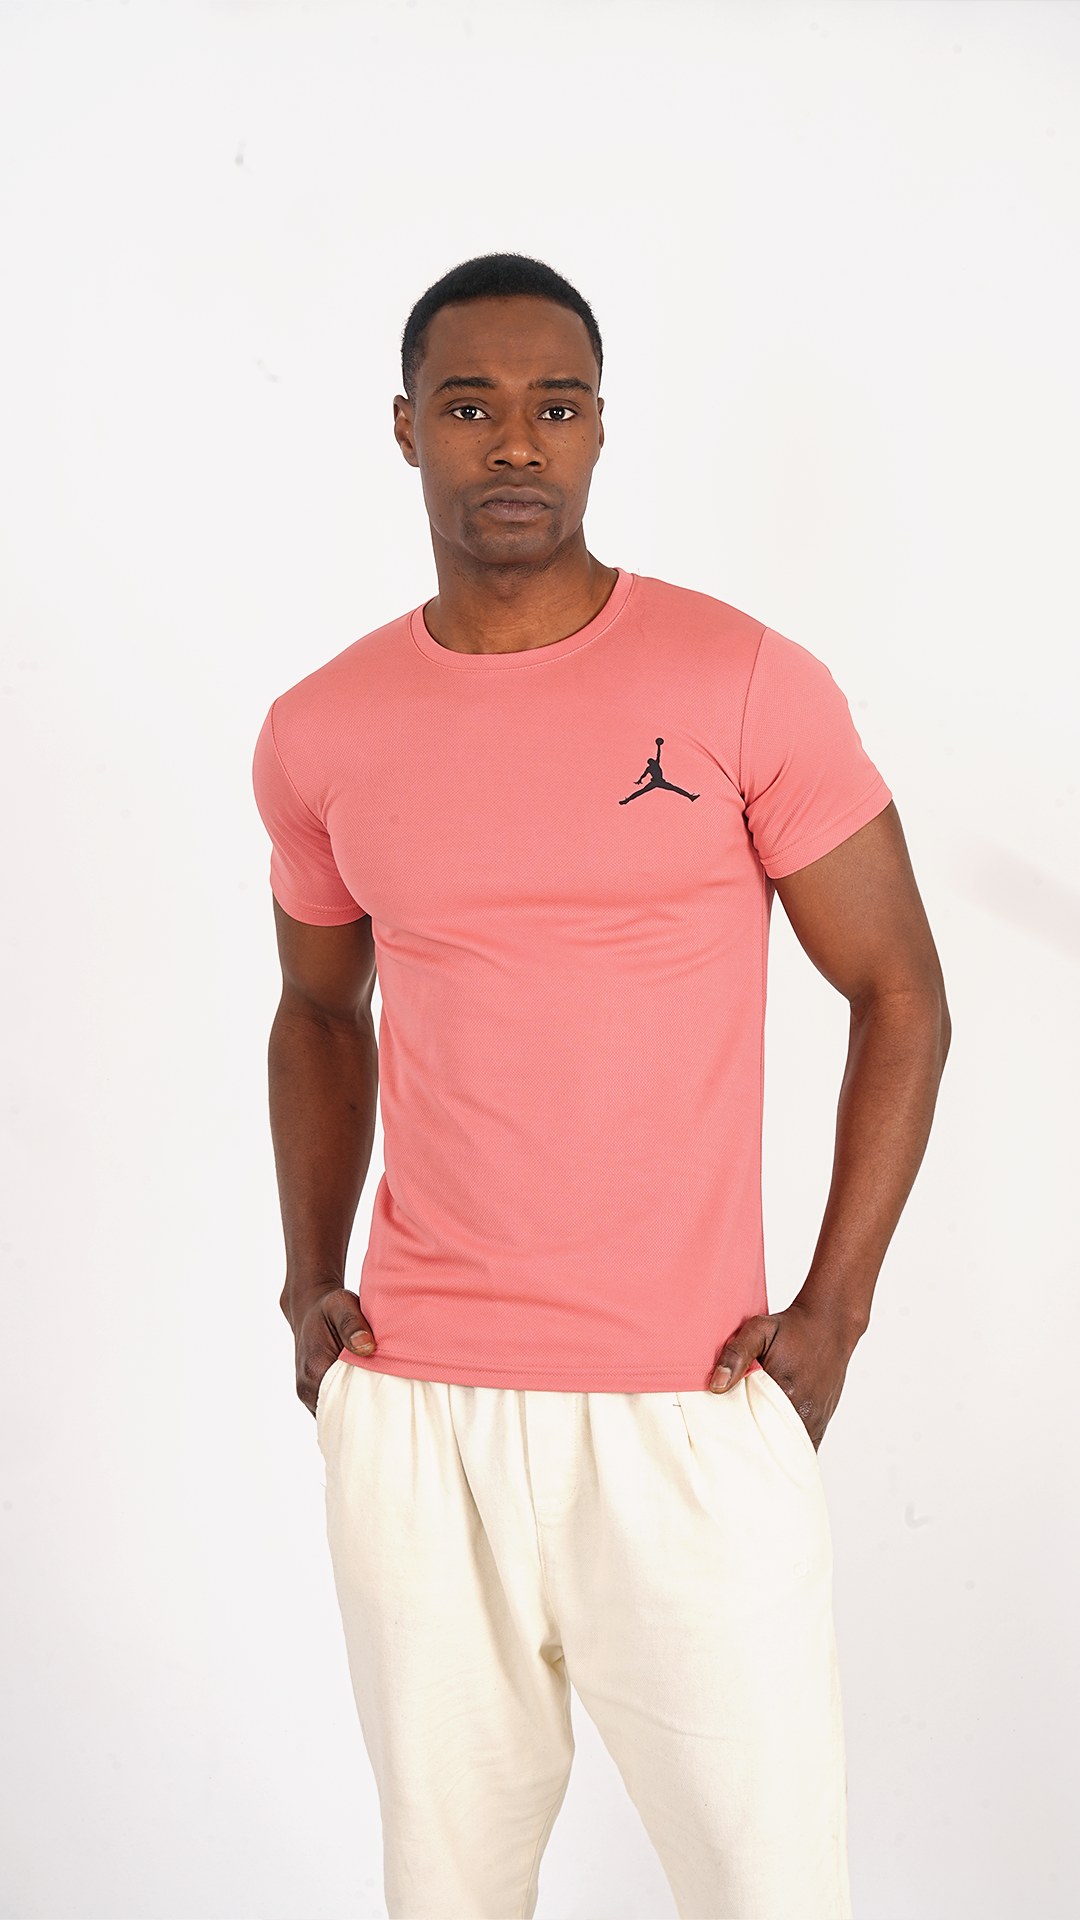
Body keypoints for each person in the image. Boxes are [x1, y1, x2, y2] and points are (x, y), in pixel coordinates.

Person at [252, 253, 950, 1920]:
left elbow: (901, 994)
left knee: (772, 1890)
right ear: (404, 427)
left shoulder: (741, 680)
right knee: (450, 1893)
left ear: (601, 429)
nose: (515, 443)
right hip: (420, 1411)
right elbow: (318, 1013)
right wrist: (304, 1278)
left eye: (554, 407)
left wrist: (836, 1311)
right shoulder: (321, 728)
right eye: (470, 406)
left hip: (689, 1405)